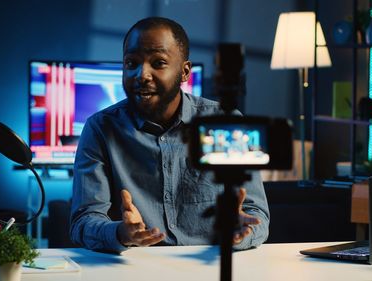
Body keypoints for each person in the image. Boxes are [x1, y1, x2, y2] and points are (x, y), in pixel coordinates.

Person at [70, 17, 269, 252]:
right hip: (135, 269)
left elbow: (256, 215)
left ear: (185, 72)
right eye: (131, 63)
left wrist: (239, 234)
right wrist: (120, 233)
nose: (141, 74)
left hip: (210, 265)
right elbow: (83, 223)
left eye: (158, 62)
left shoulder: (225, 123)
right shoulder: (100, 129)